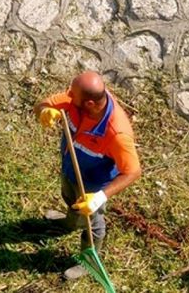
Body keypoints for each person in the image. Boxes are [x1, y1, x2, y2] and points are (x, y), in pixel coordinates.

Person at [32, 71, 141, 280]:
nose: (68, 97)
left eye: (73, 95)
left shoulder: (116, 133)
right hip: (70, 168)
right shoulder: (75, 100)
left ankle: (88, 261)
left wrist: (99, 197)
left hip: (94, 183)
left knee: (93, 223)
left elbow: (133, 171)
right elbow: (43, 104)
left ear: (90, 103)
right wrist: (44, 111)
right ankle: (70, 222)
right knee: (69, 198)